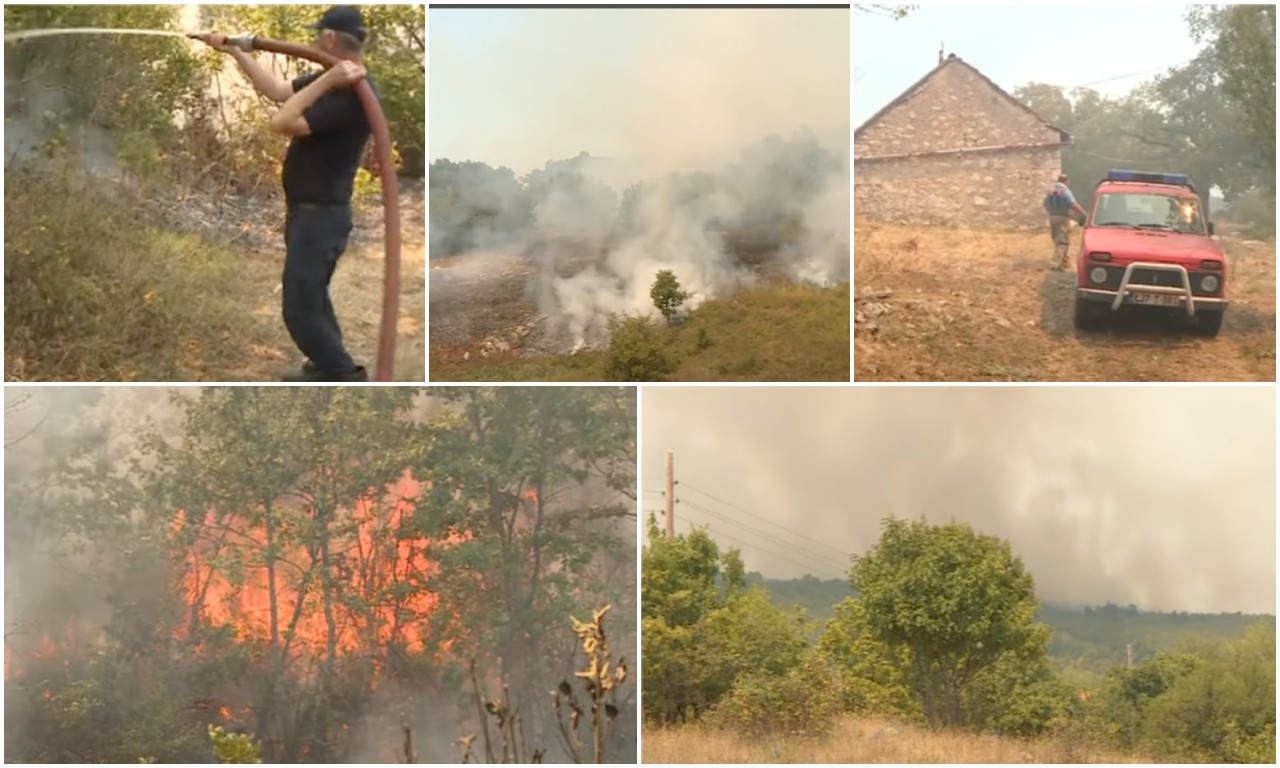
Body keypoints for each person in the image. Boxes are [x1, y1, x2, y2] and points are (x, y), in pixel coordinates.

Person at [199, 6, 376, 381]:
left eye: (317, 36)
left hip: (321, 218)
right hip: (310, 215)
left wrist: (328, 82)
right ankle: (327, 366)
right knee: (314, 298)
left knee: (298, 308)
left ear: (329, 39)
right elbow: (278, 91)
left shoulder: (350, 92)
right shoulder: (332, 79)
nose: (312, 41)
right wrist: (235, 51)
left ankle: (342, 376)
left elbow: (283, 122)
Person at [1043, 173, 1088, 270]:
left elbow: (1045, 204)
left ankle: (1064, 261)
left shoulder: (1051, 191)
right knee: (1062, 242)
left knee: (1057, 239)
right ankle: (1056, 264)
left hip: (1052, 217)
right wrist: (1083, 213)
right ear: (1066, 181)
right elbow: (1073, 204)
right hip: (1063, 218)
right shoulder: (1065, 191)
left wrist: (1052, 211)